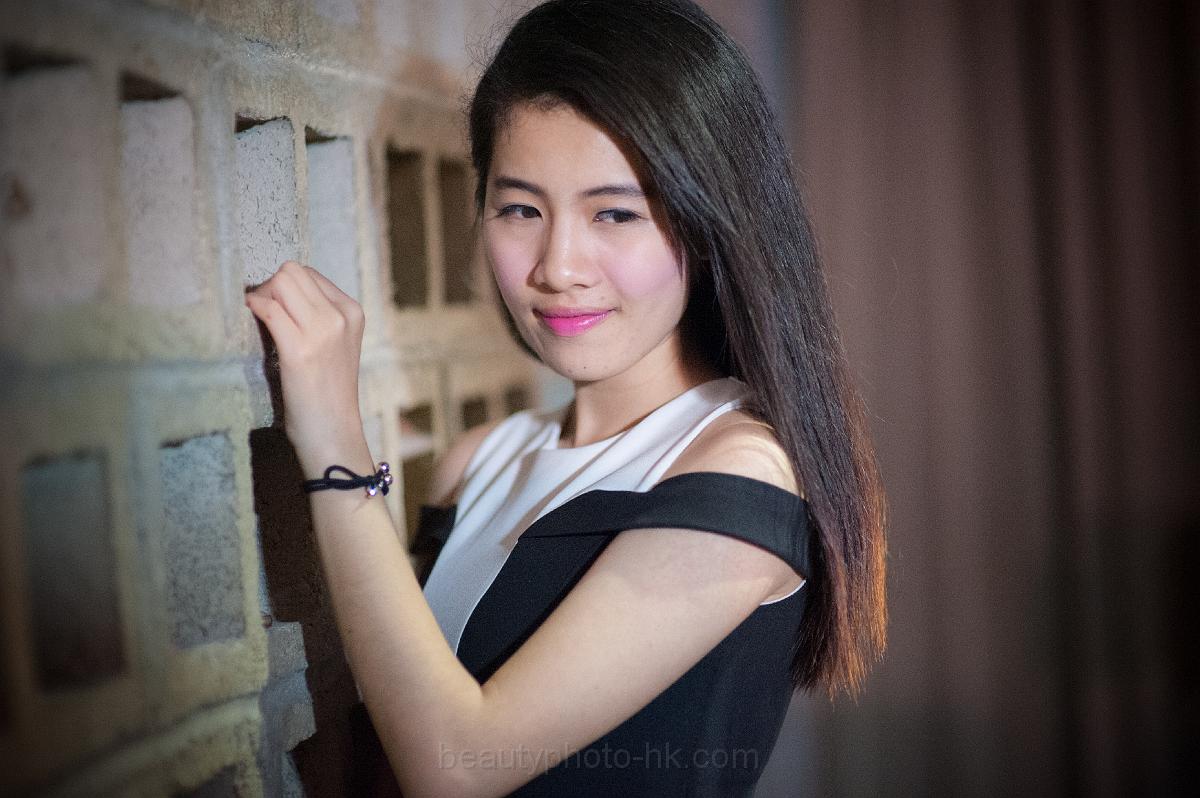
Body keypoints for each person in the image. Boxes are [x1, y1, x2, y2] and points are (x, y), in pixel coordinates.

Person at [245, 0, 886, 795]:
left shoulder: (740, 475)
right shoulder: (475, 463)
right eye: (521, 209)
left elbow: (457, 767)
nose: (558, 266)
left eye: (615, 212)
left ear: (707, 221)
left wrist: (336, 441)